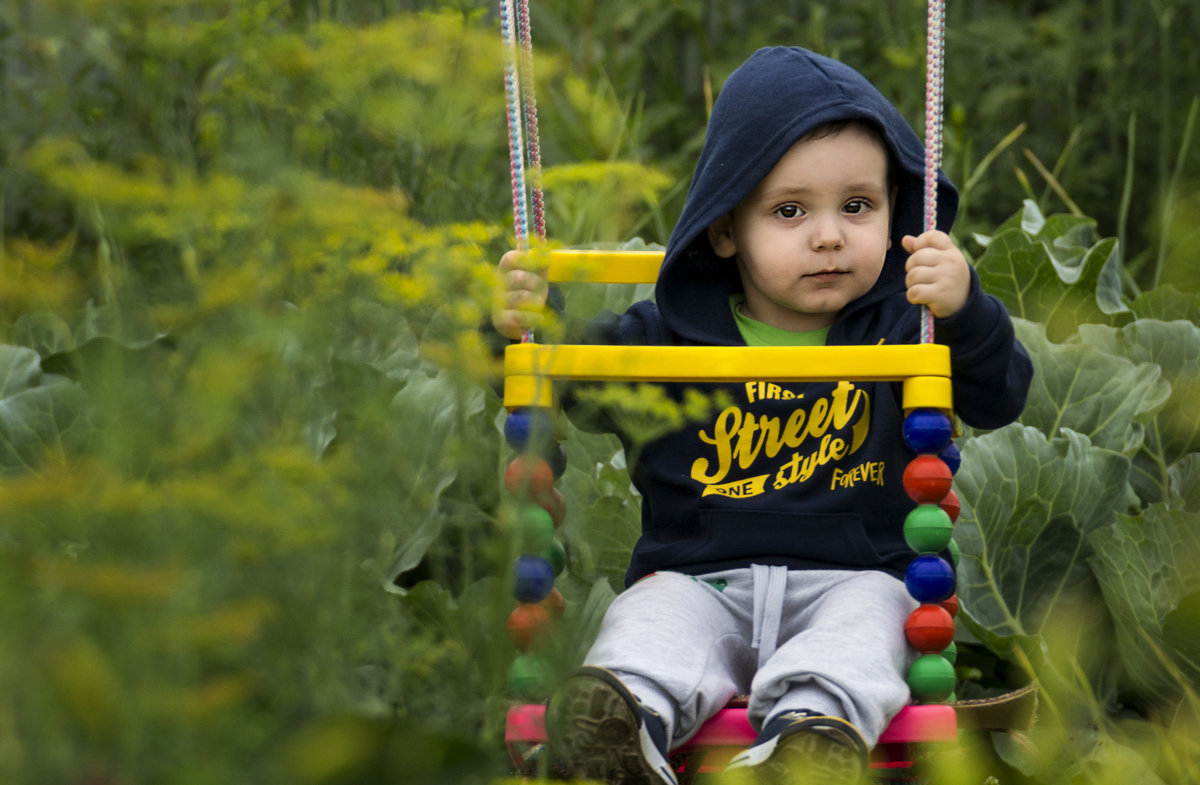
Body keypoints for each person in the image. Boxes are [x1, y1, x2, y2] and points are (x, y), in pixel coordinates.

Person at [492, 46, 1032, 784]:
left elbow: (1000, 394)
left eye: (857, 206)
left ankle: (804, 746)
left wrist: (967, 312)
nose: (829, 235)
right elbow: (565, 381)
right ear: (723, 230)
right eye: (789, 210)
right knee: (647, 630)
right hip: (696, 578)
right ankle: (619, 736)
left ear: (894, 210)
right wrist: (521, 326)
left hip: (851, 576)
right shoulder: (668, 333)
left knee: (875, 623)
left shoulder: (907, 327)